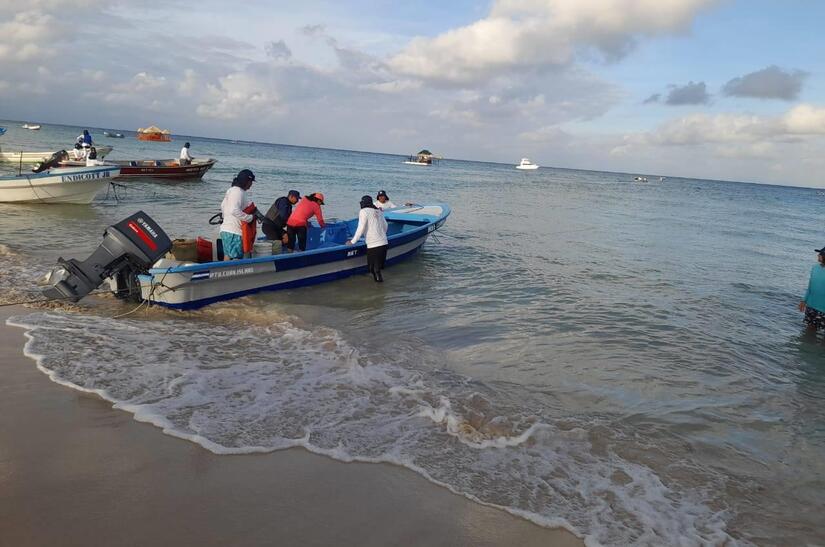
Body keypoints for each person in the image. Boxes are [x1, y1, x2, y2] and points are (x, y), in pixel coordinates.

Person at [347, 195, 389, 282]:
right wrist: (381, 235)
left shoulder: (364, 211)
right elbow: (386, 226)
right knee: (376, 269)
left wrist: (352, 241)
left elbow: (361, 228)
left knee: (373, 269)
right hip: (384, 243)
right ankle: (381, 291)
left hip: (374, 245)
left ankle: (379, 291)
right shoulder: (378, 211)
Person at [219, 169, 257, 260]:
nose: (251, 185)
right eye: (251, 182)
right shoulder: (238, 192)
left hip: (225, 230)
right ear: (247, 181)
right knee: (236, 258)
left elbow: (223, 207)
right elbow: (233, 210)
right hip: (234, 232)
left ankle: (225, 273)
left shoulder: (231, 190)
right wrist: (249, 218)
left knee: (228, 256)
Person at [799, 246, 825, 330]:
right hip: (811, 306)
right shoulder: (815, 268)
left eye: (820, 254)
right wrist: (804, 300)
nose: (818, 255)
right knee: (809, 333)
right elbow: (810, 286)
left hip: (823, 309)